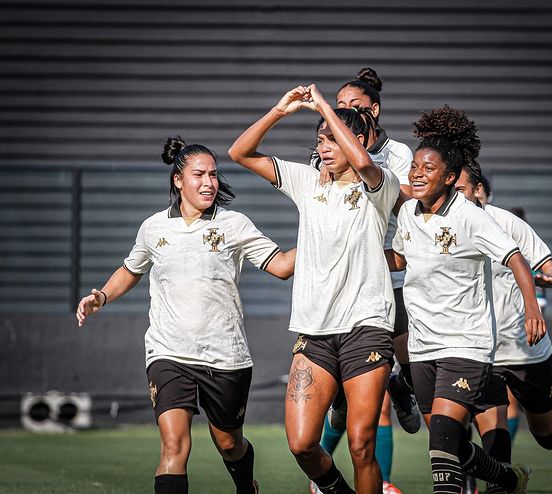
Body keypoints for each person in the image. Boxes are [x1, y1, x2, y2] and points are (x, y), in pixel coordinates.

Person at [76, 137, 296, 494]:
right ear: (178, 180)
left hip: (225, 356)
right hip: (168, 352)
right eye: (199, 174)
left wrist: (321, 238)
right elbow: (131, 269)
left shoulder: (234, 224)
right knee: (173, 446)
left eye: (213, 174)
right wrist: (101, 296)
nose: (209, 182)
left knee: (229, 443)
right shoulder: (153, 227)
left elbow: (282, 267)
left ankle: (246, 487)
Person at [228, 84, 400, 494]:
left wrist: (324, 105)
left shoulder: (381, 185)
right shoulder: (309, 182)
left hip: (367, 327)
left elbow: (364, 163)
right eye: (319, 139)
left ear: (359, 140)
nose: (323, 147)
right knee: (302, 443)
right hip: (315, 332)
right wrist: (279, 111)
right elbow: (240, 153)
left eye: (332, 138)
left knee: (361, 444)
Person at [386, 105, 544, 494]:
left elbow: (516, 259)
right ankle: (509, 479)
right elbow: (400, 259)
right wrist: (354, 254)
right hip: (422, 346)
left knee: (441, 442)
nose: (416, 174)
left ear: (450, 177)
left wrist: (532, 309)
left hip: (465, 345)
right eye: (415, 167)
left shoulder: (471, 217)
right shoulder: (407, 215)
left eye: (428, 168)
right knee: (450, 443)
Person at [311, 67, 417, 494]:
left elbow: (408, 199)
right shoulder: (326, 151)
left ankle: (404, 385)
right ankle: (375, 481)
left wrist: (365, 174)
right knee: (369, 401)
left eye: (354, 106)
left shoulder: (396, 154)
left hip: (392, 276)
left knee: (404, 372)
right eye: (338, 107)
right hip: (346, 284)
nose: (344, 112)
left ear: (374, 110)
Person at [454, 161, 552, 492]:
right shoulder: (442, 228)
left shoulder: (507, 223)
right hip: (479, 351)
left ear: (478, 190)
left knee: (544, 434)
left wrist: (546, 278)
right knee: (492, 440)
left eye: (459, 189)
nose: (453, 196)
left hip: (525, 349)